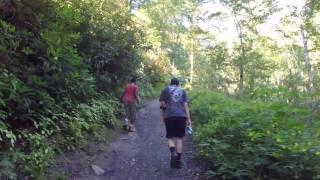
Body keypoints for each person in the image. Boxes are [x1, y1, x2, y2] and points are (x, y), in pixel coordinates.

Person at [159, 78, 192, 169]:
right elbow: (185, 105)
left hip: (169, 116)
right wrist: (189, 119)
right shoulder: (182, 91)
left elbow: (162, 105)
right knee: (179, 138)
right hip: (181, 116)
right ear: (178, 84)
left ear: (171, 83)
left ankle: (173, 152)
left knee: (170, 137)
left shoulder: (166, 89)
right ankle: (178, 160)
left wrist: (162, 116)